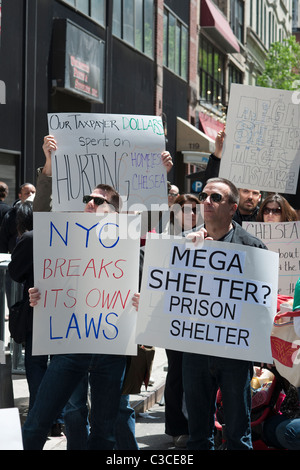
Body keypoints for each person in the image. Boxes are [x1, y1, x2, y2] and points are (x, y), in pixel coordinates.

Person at [180, 177, 267, 450]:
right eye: (204, 196)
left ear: (232, 208)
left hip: (234, 353)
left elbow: (262, 305)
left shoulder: (252, 248)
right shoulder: (183, 244)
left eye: (215, 198)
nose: (206, 202)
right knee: (197, 436)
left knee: (239, 434)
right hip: (194, 350)